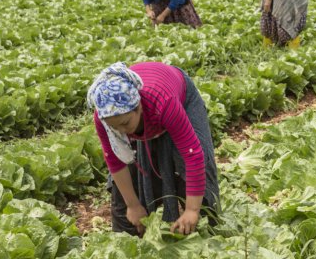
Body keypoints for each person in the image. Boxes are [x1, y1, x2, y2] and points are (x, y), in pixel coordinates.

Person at [87, 62, 219, 236]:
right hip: (148, 109)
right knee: (129, 174)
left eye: (125, 124)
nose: (121, 131)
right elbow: (115, 160)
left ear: (139, 107)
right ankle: (130, 234)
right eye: (114, 127)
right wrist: (132, 205)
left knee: (190, 162)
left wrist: (192, 210)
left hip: (177, 95)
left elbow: (192, 155)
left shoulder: (165, 104)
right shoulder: (106, 116)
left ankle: (206, 228)